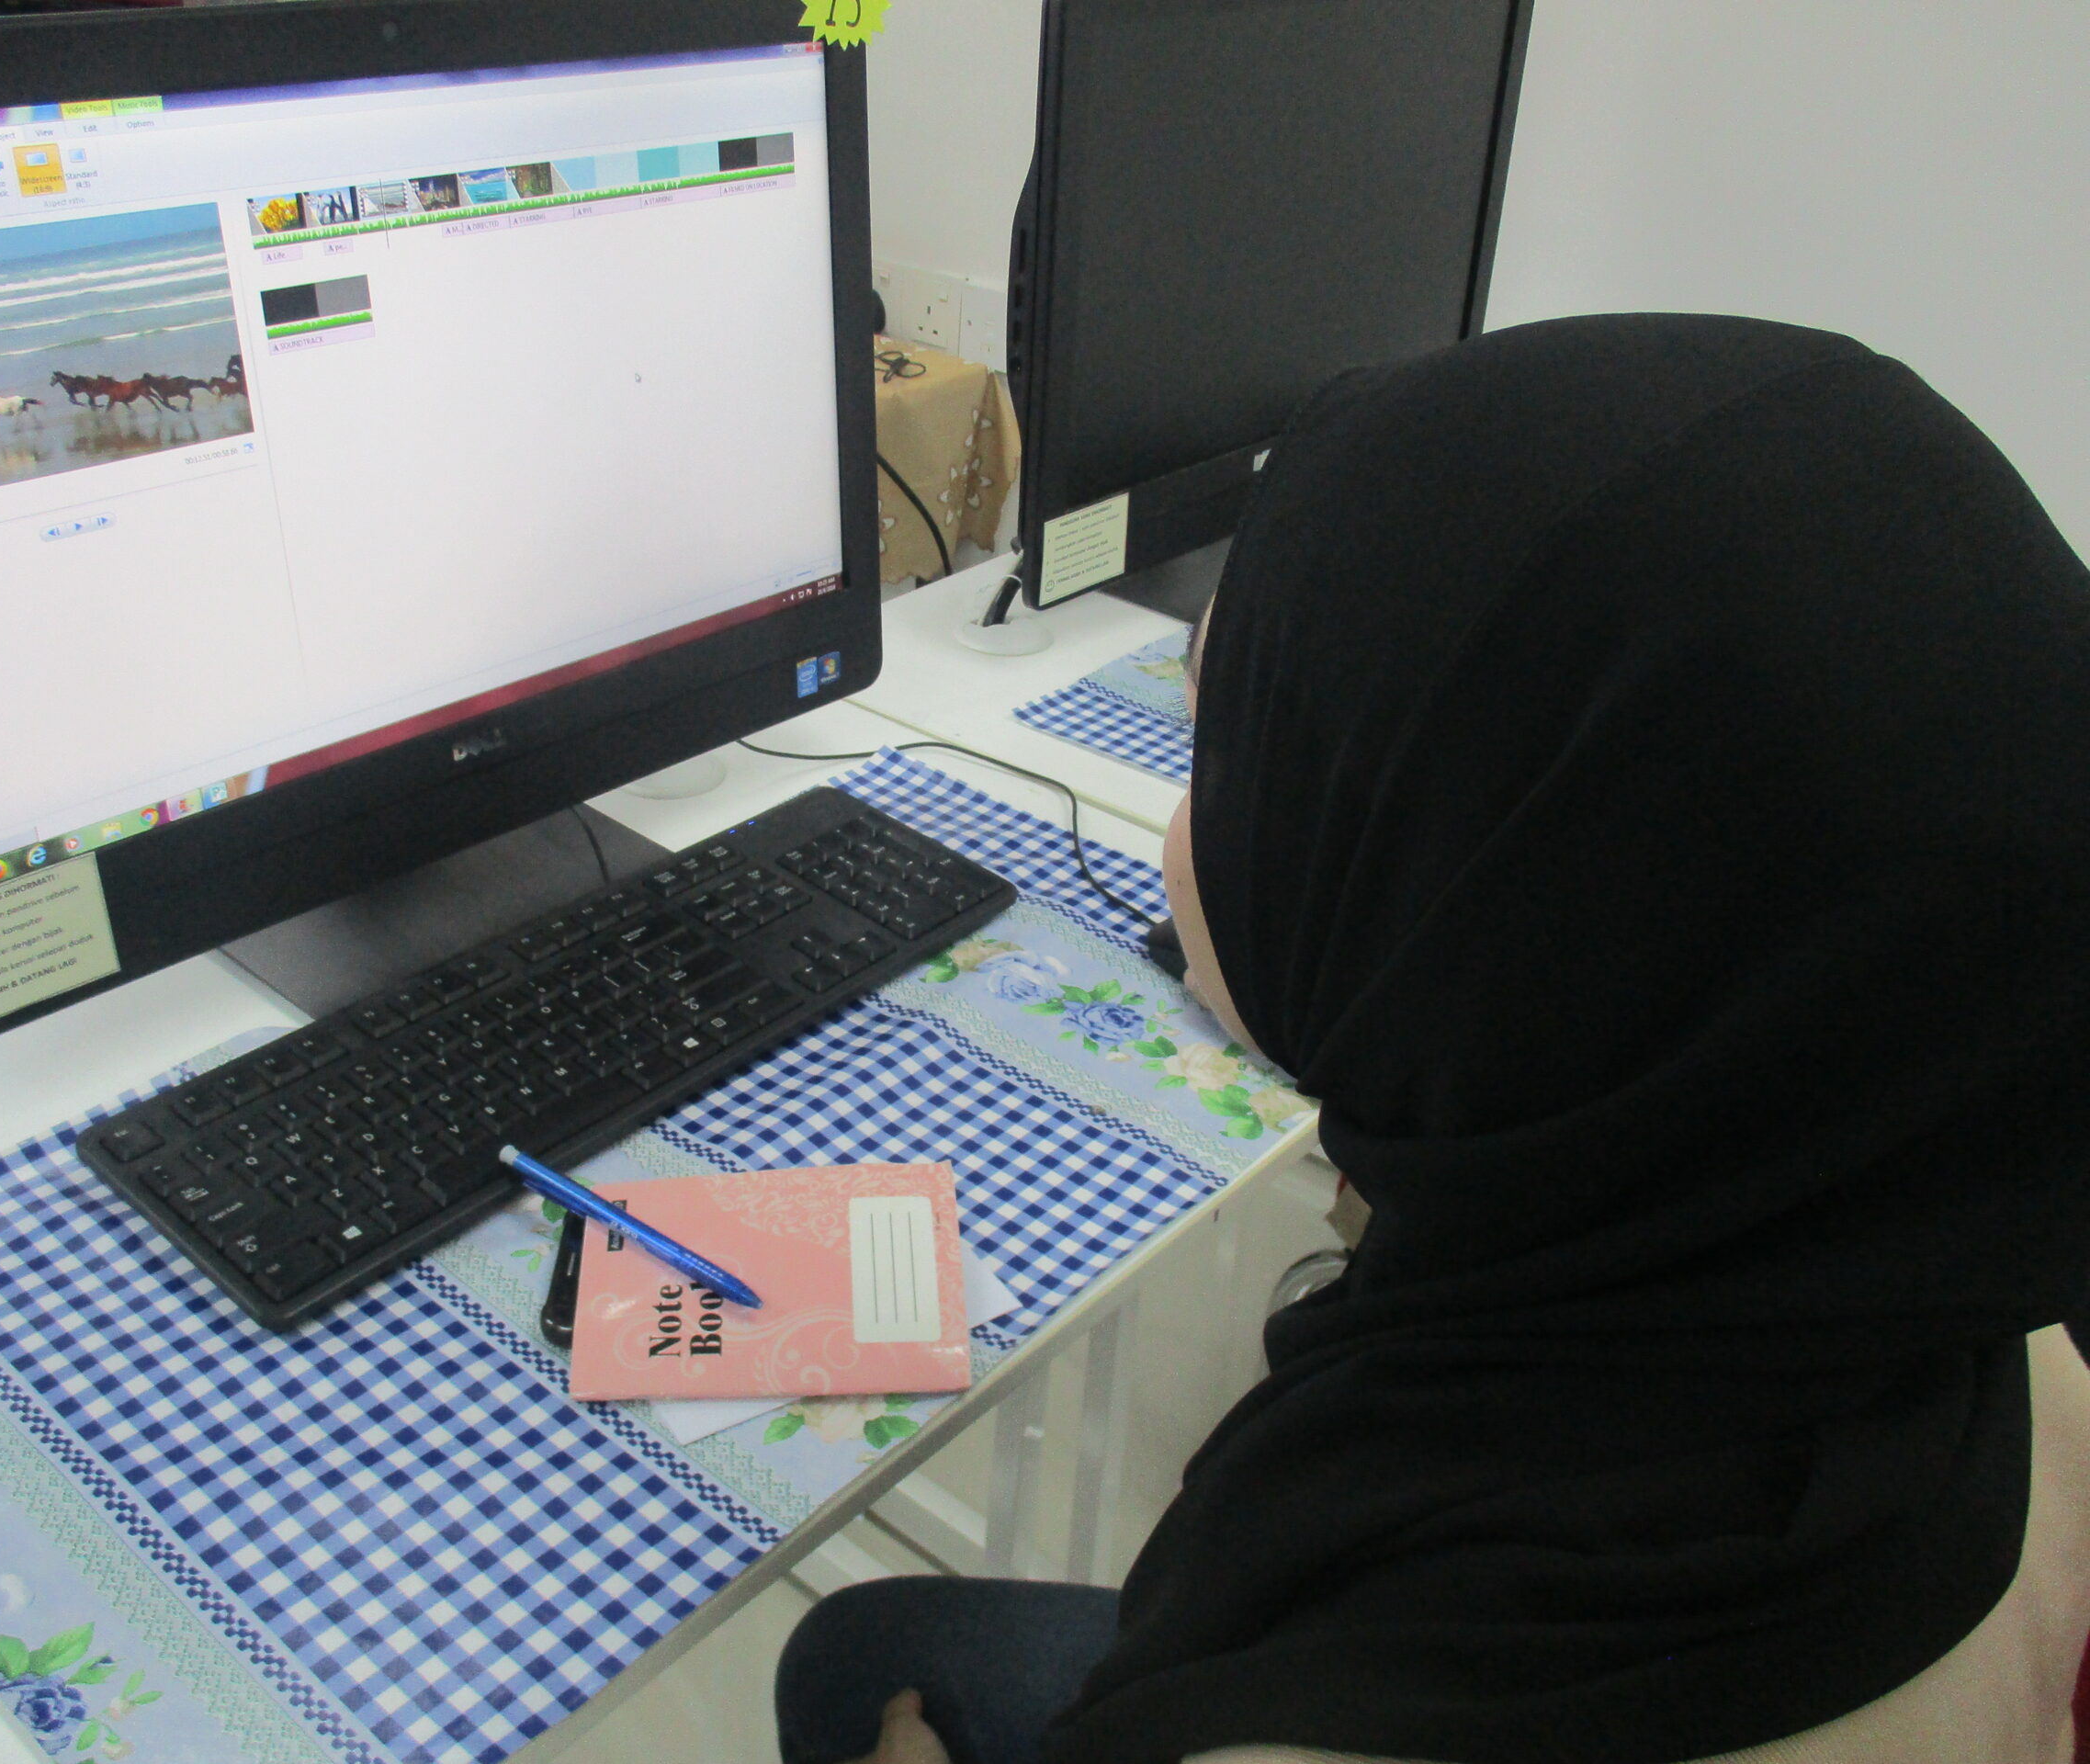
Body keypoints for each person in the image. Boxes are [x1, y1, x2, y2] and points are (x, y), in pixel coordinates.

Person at [773, 313, 2090, 1764]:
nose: (1185, 834)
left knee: (853, 1670)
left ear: (1490, 928)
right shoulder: (1957, 1251)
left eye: (1224, 756)